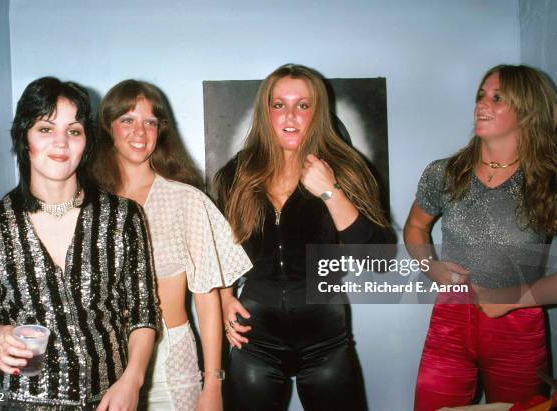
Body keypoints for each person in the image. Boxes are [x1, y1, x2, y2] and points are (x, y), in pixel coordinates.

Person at [0, 77, 160, 410]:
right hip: (25, 401)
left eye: (73, 131)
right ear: (24, 137)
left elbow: (145, 313)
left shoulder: (123, 217)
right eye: (45, 129)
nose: (61, 143)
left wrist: (132, 380)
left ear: (86, 142)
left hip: (110, 400)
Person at [214, 63, 390, 411]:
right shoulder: (237, 174)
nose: (290, 115)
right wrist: (222, 297)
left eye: (302, 105)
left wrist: (331, 192)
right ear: (266, 112)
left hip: (325, 342)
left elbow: (379, 260)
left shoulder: (348, 169)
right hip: (254, 339)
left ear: (317, 111)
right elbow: (218, 249)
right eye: (278, 104)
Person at [89, 79, 252, 411]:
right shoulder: (88, 203)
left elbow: (207, 299)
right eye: (128, 120)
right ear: (108, 127)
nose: (140, 131)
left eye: (150, 121)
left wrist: (213, 384)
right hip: (102, 358)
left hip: (169, 361)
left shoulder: (186, 200)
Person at [404, 64, 556, 410]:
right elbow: (415, 227)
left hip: (518, 328)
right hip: (451, 319)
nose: (481, 104)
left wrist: (512, 298)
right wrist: (433, 267)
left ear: (529, 109)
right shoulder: (445, 173)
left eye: (497, 97)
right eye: (480, 95)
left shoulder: (548, 182)